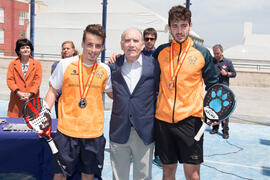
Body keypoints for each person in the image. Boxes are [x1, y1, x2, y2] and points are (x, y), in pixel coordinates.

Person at [153, 5, 218, 180]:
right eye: (175, 26)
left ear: (190, 25)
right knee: (167, 172)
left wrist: (215, 112)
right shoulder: (160, 52)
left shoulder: (202, 53)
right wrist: (117, 59)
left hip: (191, 122)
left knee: (193, 174)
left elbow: (213, 86)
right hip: (163, 121)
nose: (179, 30)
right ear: (169, 27)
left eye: (183, 25)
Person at [44, 24, 111, 180]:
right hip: (66, 132)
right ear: (82, 44)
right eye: (89, 44)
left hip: (93, 134)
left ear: (102, 47)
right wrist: (44, 114)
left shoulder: (105, 70)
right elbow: (52, 91)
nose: (93, 50)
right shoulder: (65, 65)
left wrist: (121, 64)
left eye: (98, 46)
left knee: (88, 175)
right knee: (60, 175)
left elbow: (113, 94)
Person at [108, 28, 160, 180]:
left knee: (143, 176)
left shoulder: (154, 65)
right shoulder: (112, 66)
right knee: (119, 176)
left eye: (136, 41)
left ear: (143, 45)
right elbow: (111, 92)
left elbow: (159, 93)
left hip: (144, 131)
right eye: (127, 40)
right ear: (121, 44)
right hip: (119, 129)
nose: (131, 44)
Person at [6, 38, 42, 117]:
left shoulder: (37, 64)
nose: (25, 50)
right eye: (22, 48)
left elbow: (37, 81)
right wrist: (19, 93)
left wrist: (30, 94)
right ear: (18, 50)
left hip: (32, 101)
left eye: (27, 47)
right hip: (16, 101)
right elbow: (10, 80)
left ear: (30, 49)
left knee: (32, 127)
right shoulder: (13, 64)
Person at [210, 44, 237, 139]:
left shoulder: (228, 62)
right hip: (214, 91)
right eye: (214, 53)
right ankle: (215, 128)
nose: (216, 55)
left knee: (225, 111)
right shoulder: (211, 61)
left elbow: (234, 74)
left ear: (222, 52)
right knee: (213, 110)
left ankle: (225, 131)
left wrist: (227, 73)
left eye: (217, 53)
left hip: (225, 91)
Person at [51, 41, 78, 118]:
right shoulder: (56, 65)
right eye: (64, 49)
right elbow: (52, 82)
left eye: (68, 48)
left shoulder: (79, 64)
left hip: (74, 99)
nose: (65, 50)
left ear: (73, 50)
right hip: (59, 99)